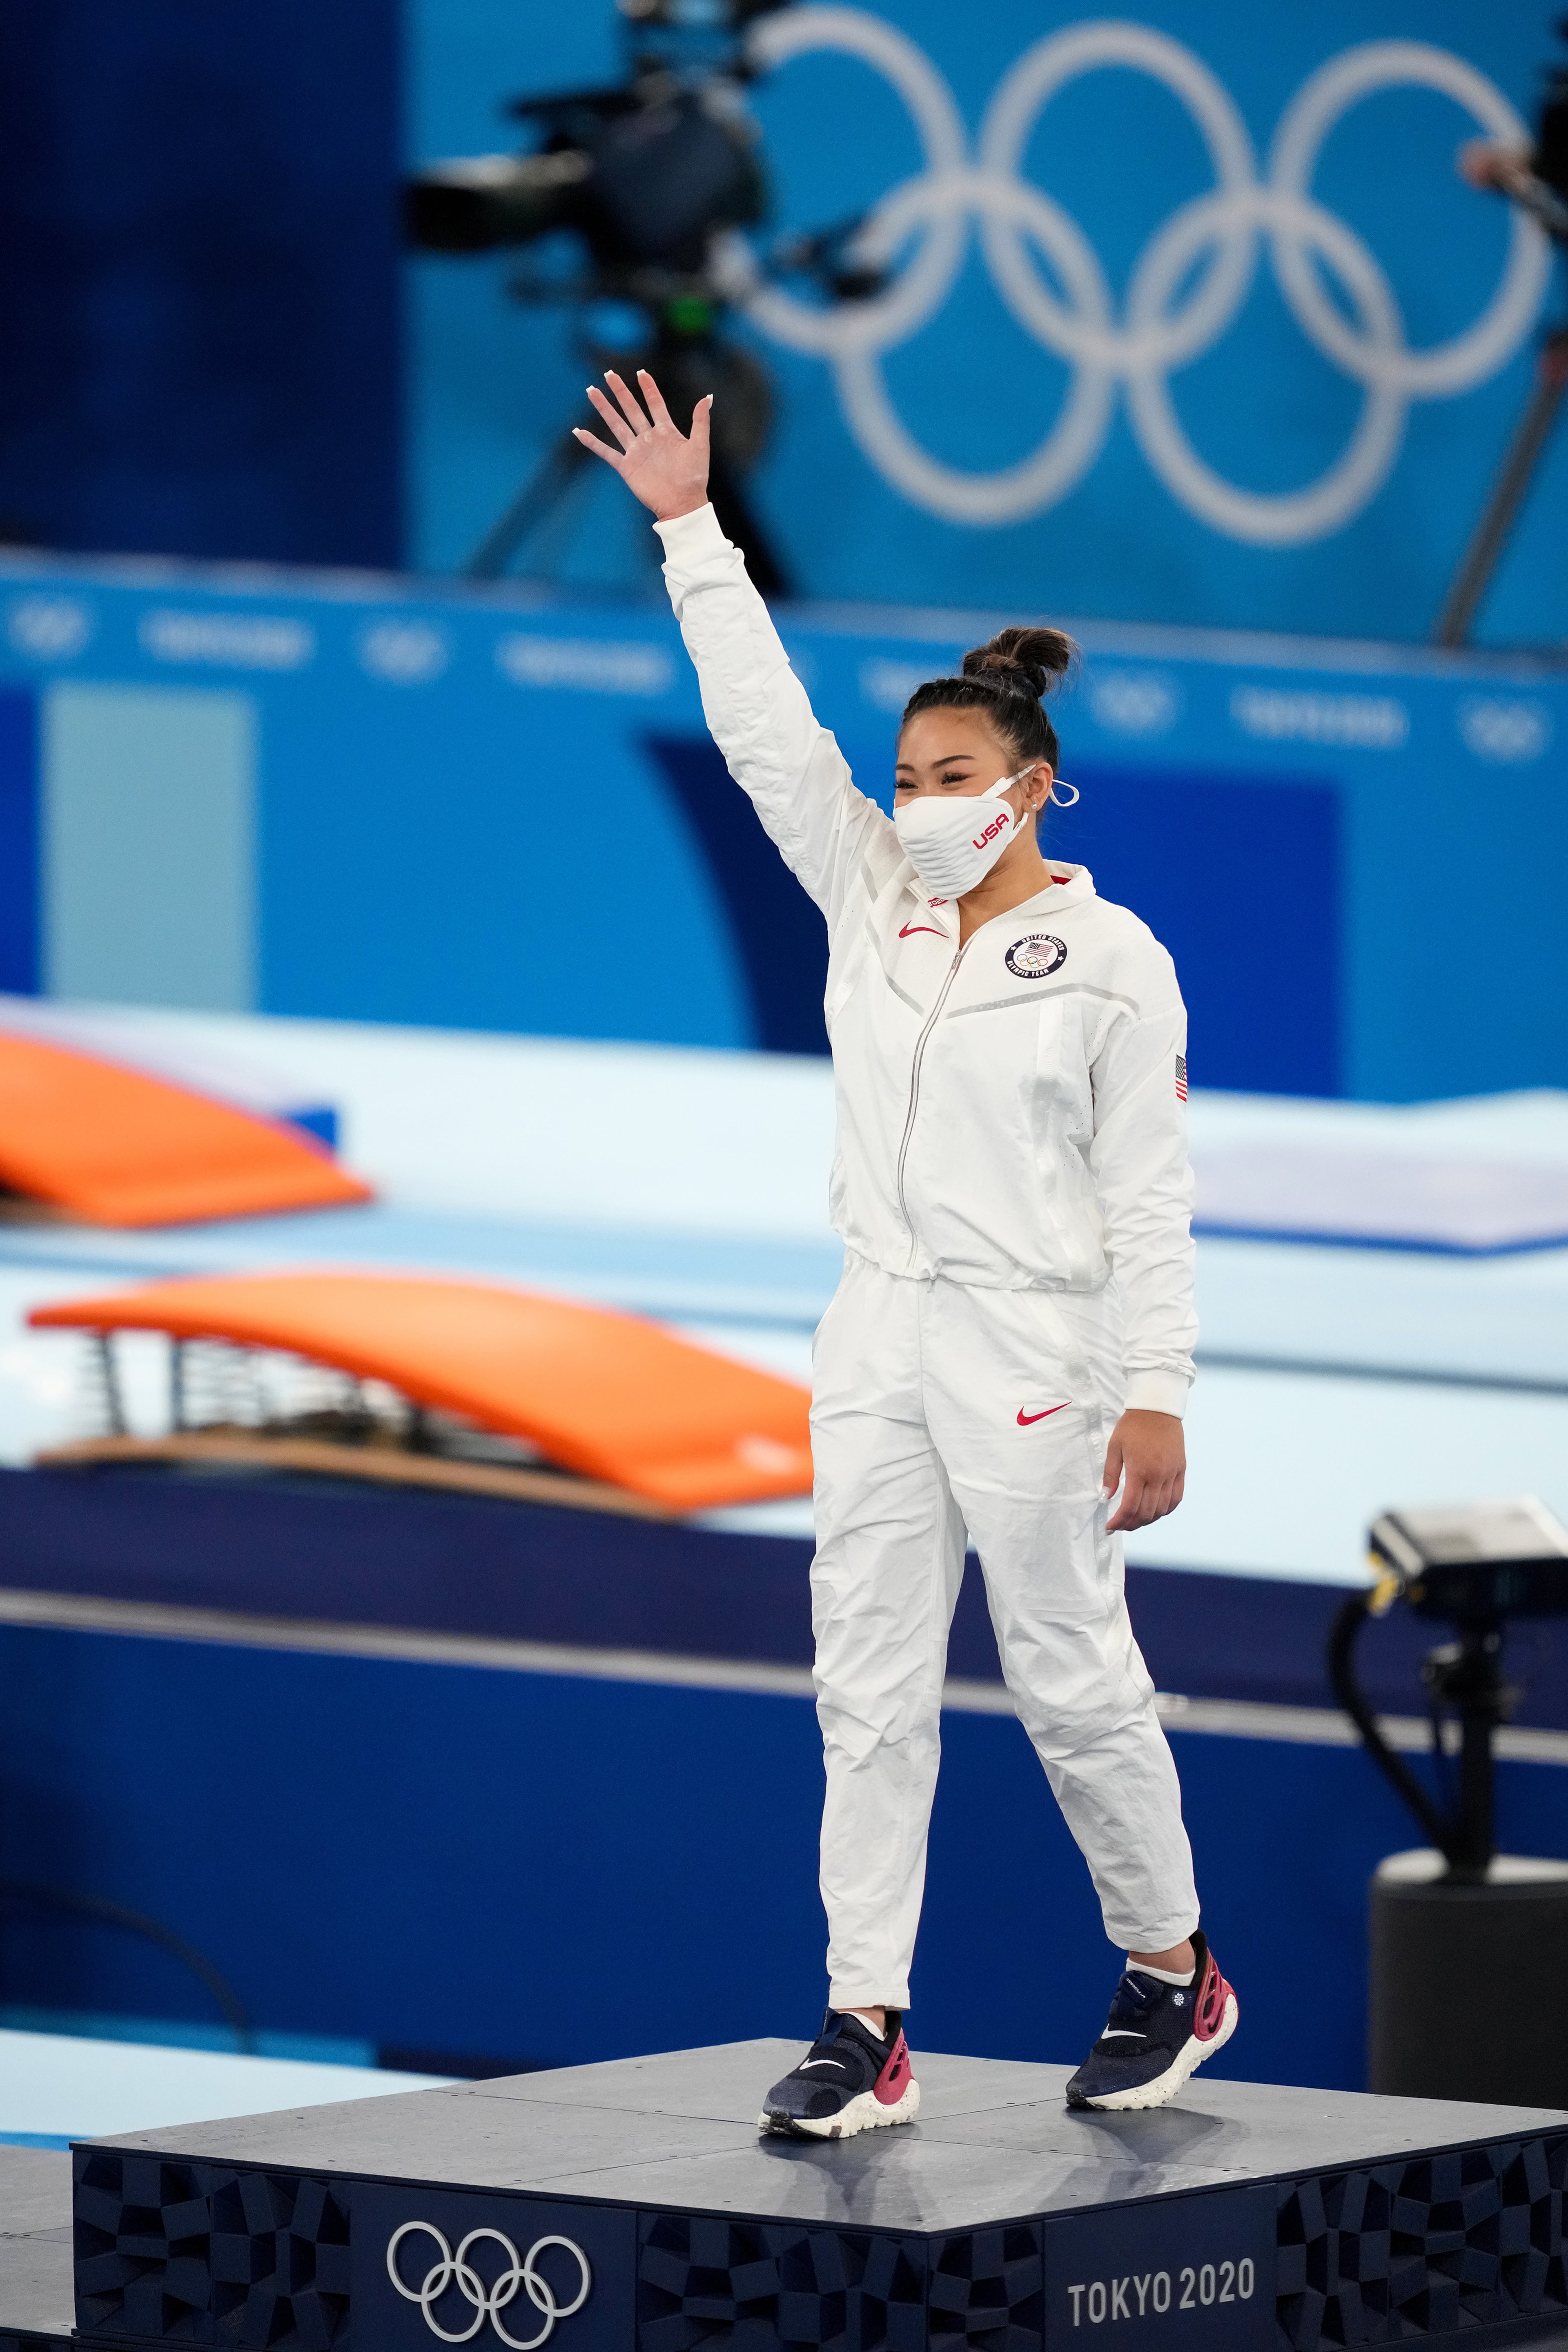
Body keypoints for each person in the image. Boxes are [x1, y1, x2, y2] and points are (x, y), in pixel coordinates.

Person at [575, 369, 1237, 2132]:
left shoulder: (1117, 966)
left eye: (953, 777)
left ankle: (1173, 1969)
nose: (917, 800)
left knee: (1065, 1670)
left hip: (1038, 1349)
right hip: (875, 1328)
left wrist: (1156, 1393)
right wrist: (690, 532)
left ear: (1035, 790)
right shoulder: (873, 892)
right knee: (863, 1684)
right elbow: (764, 735)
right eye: (906, 776)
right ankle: (867, 2025)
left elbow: (1152, 1196)